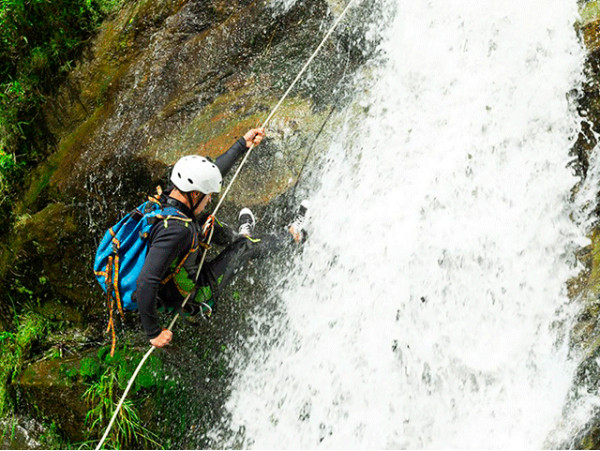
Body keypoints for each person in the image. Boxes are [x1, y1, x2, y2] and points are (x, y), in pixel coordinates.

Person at [135, 128, 308, 347]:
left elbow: (211, 173)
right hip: (193, 293)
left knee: (207, 220)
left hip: (176, 277)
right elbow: (145, 282)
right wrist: (153, 332)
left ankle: (240, 234)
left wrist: (241, 145)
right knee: (243, 247)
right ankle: (293, 236)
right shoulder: (175, 231)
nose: (210, 199)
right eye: (208, 196)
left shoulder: (170, 197)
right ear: (195, 194)